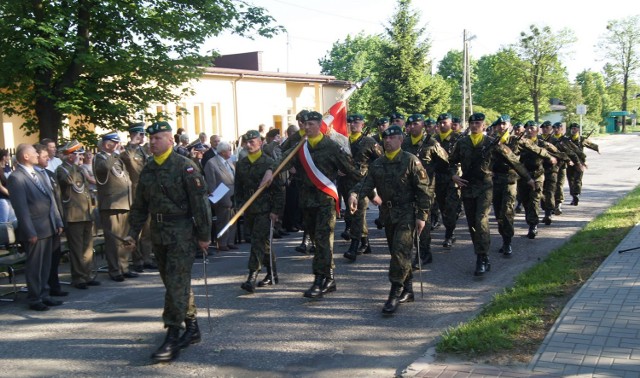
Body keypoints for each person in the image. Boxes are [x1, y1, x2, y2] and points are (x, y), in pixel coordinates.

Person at [125, 121, 212, 363]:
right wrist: (132, 231)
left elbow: (201, 205)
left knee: (175, 284)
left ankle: (172, 335)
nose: (152, 142)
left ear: (170, 140)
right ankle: (192, 327)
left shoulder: (185, 167)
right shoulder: (149, 168)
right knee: (175, 283)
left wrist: (204, 236)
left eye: (158, 138)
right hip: (159, 232)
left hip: (182, 233)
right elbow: (140, 205)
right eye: (150, 139)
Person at [348, 125, 429, 314]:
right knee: (397, 253)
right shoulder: (378, 164)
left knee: (400, 251)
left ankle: (395, 291)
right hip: (388, 214)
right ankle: (408, 289)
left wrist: (422, 216)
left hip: (407, 213)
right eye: (385, 138)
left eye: (392, 138)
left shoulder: (410, 160)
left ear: (401, 140)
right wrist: (353, 194)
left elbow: (423, 190)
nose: (387, 141)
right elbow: (365, 184)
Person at [281, 111, 359, 298]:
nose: (306, 128)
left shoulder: (331, 146)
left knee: (323, 241)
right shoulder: (300, 146)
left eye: (311, 124)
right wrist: (269, 170)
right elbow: (280, 159)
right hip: (306, 201)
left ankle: (318, 280)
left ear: (319, 125)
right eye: (304, 124)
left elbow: (353, 172)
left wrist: (355, 193)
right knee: (317, 240)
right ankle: (330, 278)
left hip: (325, 201)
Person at [449, 113, 532, 276]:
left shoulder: (491, 143)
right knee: (472, 224)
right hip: (467, 187)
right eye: (472, 123)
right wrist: (454, 175)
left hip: (485, 187)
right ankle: (482, 254)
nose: (474, 126)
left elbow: (513, 160)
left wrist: (528, 178)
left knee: (481, 221)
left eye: (478, 123)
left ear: (484, 125)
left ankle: (481, 257)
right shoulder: (462, 143)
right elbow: (452, 161)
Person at [8, 143, 64, 311]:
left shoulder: (38, 174)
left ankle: (45, 294)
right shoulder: (16, 177)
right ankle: (35, 298)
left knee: (46, 264)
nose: (37, 155)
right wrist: (29, 231)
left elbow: (50, 199)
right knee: (35, 266)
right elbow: (21, 208)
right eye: (34, 153)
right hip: (35, 229)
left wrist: (57, 221)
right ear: (25, 156)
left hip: (48, 226)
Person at [490, 115, 550, 256]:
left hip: (511, 180)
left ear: (509, 125)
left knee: (507, 212)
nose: (501, 127)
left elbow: (537, 150)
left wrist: (550, 157)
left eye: (504, 124)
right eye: (499, 125)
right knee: (499, 213)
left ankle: (507, 242)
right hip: (495, 182)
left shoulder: (517, 141)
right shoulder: (492, 142)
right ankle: (504, 236)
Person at [235, 130, 284, 292]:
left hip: (265, 209)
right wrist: (239, 207)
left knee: (257, 241)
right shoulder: (241, 164)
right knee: (263, 243)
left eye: (252, 142)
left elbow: (278, 190)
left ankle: (252, 276)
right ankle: (272, 274)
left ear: (260, 142)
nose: (249, 145)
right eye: (246, 142)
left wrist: (276, 211)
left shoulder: (268, 163)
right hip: (250, 209)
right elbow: (238, 189)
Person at [401, 114, 448, 268]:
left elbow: (446, 162)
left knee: (423, 221)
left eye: (416, 123)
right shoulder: (404, 142)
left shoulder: (432, 143)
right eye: (411, 124)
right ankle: (411, 252)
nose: (413, 126)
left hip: (426, 188)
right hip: (408, 188)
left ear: (422, 125)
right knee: (409, 221)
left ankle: (424, 253)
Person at [56, 140, 100, 289]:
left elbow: (85, 190)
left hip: (86, 212)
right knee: (76, 248)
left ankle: (87, 275)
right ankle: (78, 278)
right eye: (77, 154)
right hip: (73, 215)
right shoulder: (62, 170)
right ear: (70, 156)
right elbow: (69, 182)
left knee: (87, 247)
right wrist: (75, 166)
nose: (80, 157)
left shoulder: (79, 169)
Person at [94, 131, 136, 282]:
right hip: (111, 205)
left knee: (125, 238)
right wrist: (114, 153)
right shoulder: (99, 158)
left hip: (124, 202)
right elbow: (104, 168)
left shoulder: (117, 159)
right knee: (113, 240)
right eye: (115, 142)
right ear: (106, 144)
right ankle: (114, 269)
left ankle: (124, 267)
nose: (118, 145)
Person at [342, 113, 382, 261]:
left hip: (362, 184)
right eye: (350, 122)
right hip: (346, 183)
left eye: (356, 122)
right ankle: (365, 243)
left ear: (362, 125)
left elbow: (380, 160)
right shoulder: (344, 142)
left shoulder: (369, 142)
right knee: (352, 216)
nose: (353, 125)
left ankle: (354, 246)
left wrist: (372, 178)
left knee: (357, 215)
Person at [121, 122, 157, 273]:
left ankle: (147, 258)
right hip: (135, 193)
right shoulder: (127, 151)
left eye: (143, 134)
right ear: (133, 134)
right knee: (136, 229)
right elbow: (129, 162)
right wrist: (132, 144)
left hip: (148, 192)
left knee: (148, 229)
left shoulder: (143, 151)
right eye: (140, 134)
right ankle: (137, 260)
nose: (142, 137)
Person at [34, 144, 68, 297]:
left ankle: (54, 286)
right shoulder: (32, 176)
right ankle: (43, 290)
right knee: (43, 261)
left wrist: (60, 220)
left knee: (55, 257)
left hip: (55, 221)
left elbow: (57, 199)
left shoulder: (49, 174)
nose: (48, 158)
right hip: (42, 224)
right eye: (44, 156)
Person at [433, 113, 463, 249]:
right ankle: (449, 229)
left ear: (451, 124)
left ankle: (449, 235)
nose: (442, 125)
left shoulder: (459, 138)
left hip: (453, 179)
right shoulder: (434, 139)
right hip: (438, 178)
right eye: (440, 123)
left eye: (445, 122)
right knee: (443, 207)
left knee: (450, 208)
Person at [203, 141, 237, 251]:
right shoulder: (212, 163)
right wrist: (213, 196)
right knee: (223, 219)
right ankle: (222, 242)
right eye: (229, 150)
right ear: (222, 152)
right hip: (221, 195)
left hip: (232, 194)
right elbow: (210, 181)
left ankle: (230, 241)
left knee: (233, 218)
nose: (230, 152)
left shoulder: (229, 162)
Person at [567, 123, 599, 205]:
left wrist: (597, 149)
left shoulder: (582, 139)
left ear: (578, 130)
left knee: (578, 180)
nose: (573, 130)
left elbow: (592, 145)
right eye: (572, 129)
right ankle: (574, 196)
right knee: (571, 180)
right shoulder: (567, 140)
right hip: (570, 163)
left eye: (575, 128)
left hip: (580, 163)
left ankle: (576, 194)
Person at [0, 149, 17, 227]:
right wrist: (10, 194)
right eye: (8, 155)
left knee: (12, 221)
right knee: (4, 222)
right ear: (4, 157)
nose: (10, 157)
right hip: (3, 198)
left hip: (10, 198)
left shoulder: (7, 167)